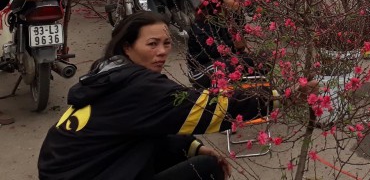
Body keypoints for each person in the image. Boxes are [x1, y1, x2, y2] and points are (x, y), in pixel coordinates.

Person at [38, 11, 315, 179]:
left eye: (167, 43)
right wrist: (282, 97)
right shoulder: (138, 86)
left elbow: (148, 126)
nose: (162, 51)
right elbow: (210, 109)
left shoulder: (107, 73)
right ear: (127, 47)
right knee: (206, 169)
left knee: (190, 153)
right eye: (152, 44)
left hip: (71, 170)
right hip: (89, 173)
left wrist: (193, 146)